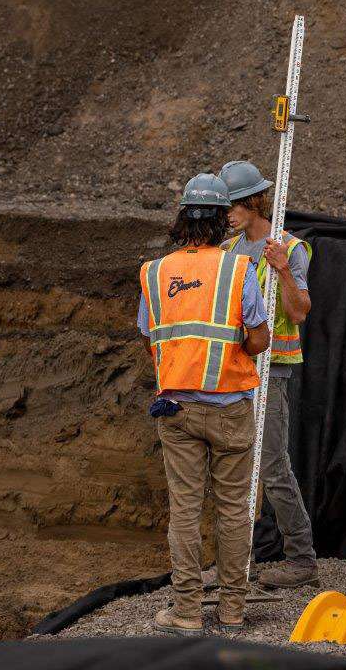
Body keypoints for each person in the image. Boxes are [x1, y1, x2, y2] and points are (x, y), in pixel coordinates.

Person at [138, 173, 269, 636]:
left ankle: (187, 613)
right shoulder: (238, 270)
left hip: (176, 410)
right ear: (221, 221)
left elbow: (150, 333)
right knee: (233, 510)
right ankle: (232, 612)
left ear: (181, 219)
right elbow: (258, 340)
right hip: (230, 407)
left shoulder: (154, 272)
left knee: (186, 510)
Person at [218, 159, 318, 589]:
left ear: (255, 203)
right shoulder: (226, 253)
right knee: (231, 467)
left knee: (273, 467)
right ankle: (234, 563)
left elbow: (299, 312)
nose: (230, 213)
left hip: (272, 369)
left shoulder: (291, 249)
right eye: (226, 206)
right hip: (236, 371)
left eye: (236, 205)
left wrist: (279, 267)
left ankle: (301, 559)